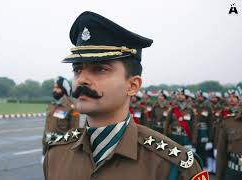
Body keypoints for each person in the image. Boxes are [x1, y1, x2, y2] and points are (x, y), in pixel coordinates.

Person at [43, 11, 207, 180]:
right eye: (77, 70)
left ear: (132, 85)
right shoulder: (56, 155)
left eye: (100, 69)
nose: (81, 80)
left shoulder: (172, 166)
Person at [42, 76, 80, 157]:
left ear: (64, 89)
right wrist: (44, 152)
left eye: (57, 88)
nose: (54, 90)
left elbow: (74, 132)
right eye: (54, 87)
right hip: (48, 150)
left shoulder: (72, 107)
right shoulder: (52, 106)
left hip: (62, 152)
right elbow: (47, 130)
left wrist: (70, 154)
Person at [216, 89, 242, 180]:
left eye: (234, 97)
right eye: (230, 97)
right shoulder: (228, 121)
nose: (231, 99)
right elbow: (221, 154)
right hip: (234, 171)